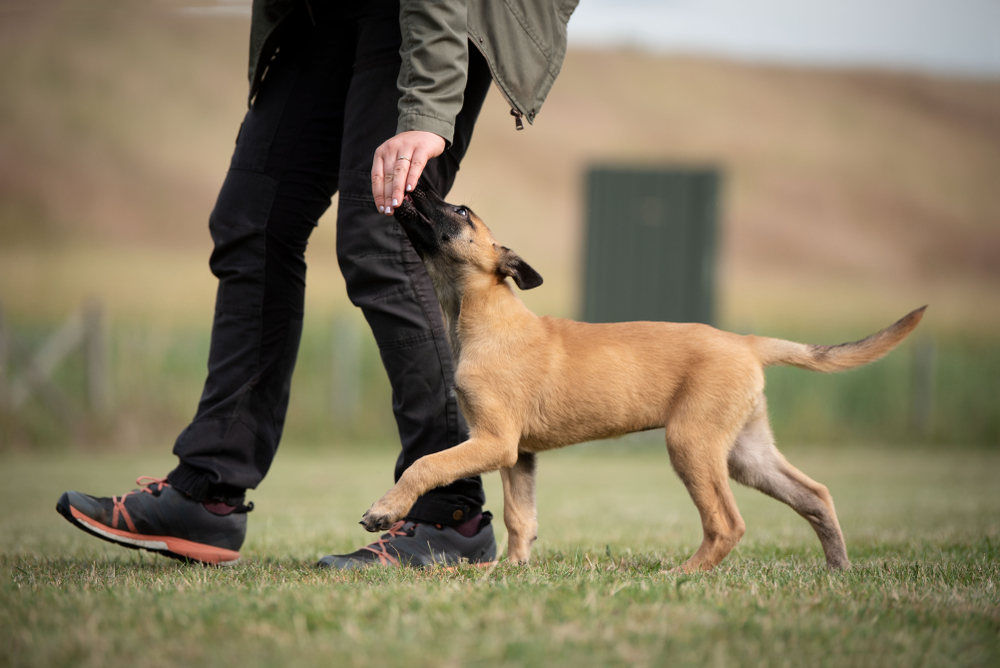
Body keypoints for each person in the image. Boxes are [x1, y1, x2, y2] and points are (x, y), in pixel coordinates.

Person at [56, 0, 577, 568]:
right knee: (252, 223)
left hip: (431, 12)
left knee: (384, 232)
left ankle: (449, 513)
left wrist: (427, 109)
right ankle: (208, 493)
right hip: (317, 12)